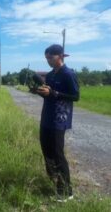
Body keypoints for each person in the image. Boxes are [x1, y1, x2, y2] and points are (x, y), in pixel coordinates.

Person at [35, 44, 79, 202]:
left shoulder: (68, 74)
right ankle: (54, 182)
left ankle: (66, 191)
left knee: (57, 154)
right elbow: (50, 95)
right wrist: (40, 92)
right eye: (46, 58)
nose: (48, 61)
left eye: (50, 58)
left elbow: (75, 96)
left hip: (59, 120)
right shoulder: (51, 74)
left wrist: (54, 92)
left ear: (60, 56)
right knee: (46, 151)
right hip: (46, 117)